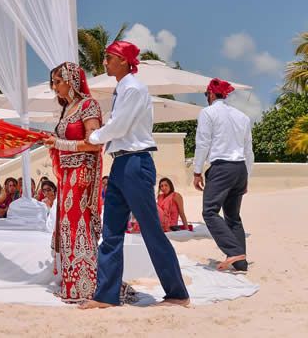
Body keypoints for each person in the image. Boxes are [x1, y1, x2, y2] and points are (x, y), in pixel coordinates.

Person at [80, 42, 189, 309]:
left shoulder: (133, 88)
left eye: (108, 58)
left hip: (135, 163)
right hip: (121, 163)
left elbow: (119, 126)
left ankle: (178, 294)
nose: (104, 63)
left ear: (124, 61)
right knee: (111, 231)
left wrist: (94, 136)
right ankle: (105, 296)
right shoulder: (123, 89)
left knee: (151, 231)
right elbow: (118, 127)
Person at [41, 62, 105, 303]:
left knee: (79, 227)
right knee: (67, 227)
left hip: (81, 174)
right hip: (67, 175)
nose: (54, 86)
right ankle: (73, 285)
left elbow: (94, 143)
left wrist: (60, 144)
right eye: (53, 82)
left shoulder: (88, 106)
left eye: (58, 81)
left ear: (72, 80)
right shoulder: (67, 109)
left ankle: (86, 285)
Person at [193, 78, 254, 272]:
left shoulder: (207, 113)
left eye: (206, 95)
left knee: (209, 211)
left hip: (222, 168)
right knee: (233, 216)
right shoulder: (242, 116)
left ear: (211, 94)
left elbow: (202, 143)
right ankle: (240, 263)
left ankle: (234, 251)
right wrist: (246, 177)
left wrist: (197, 171)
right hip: (240, 169)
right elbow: (248, 151)